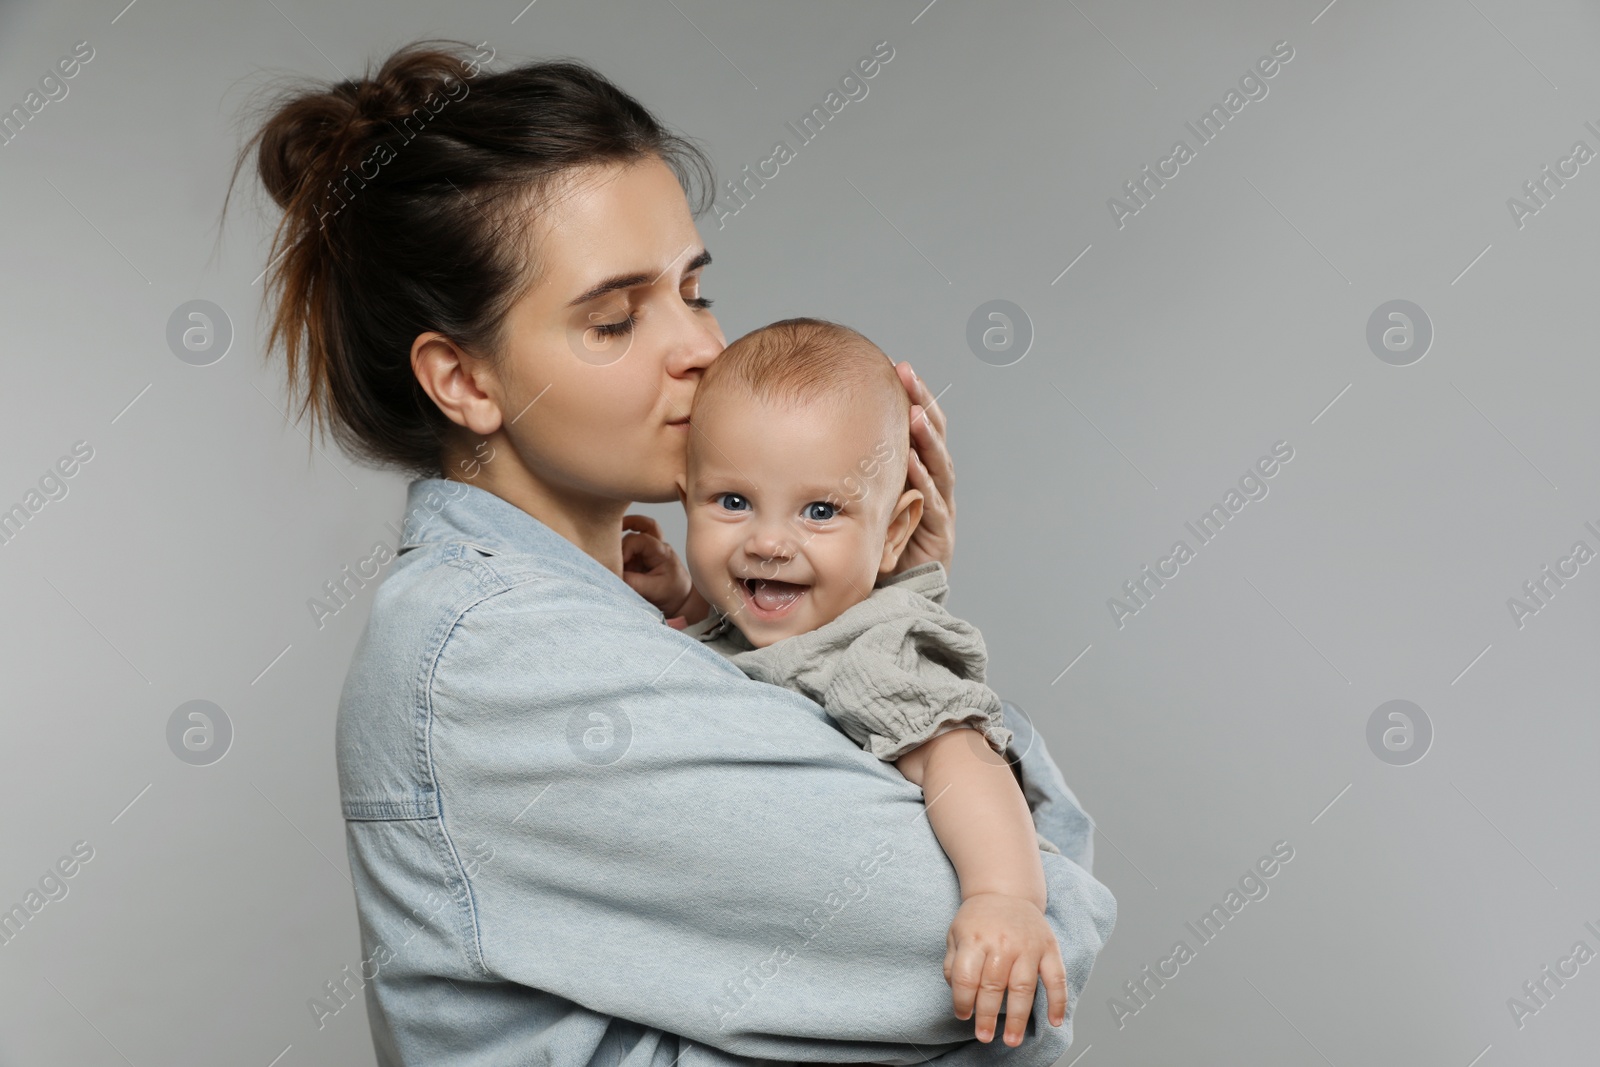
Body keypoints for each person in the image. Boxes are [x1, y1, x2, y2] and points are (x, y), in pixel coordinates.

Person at [230, 38, 1115, 1067]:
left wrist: (874, 611)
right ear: (463, 382)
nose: (699, 345)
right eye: (614, 319)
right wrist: (905, 633)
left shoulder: (644, 621)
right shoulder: (503, 658)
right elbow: (1034, 951)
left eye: (692, 290)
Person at [624, 317, 1069, 1045]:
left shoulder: (874, 651)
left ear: (894, 532)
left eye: (820, 510)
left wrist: (1004, 896)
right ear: (685, 495)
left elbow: (962, 756)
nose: (768, 540)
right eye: (732, 501)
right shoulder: (767, 617)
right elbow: (747, 646)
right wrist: (682, 598)